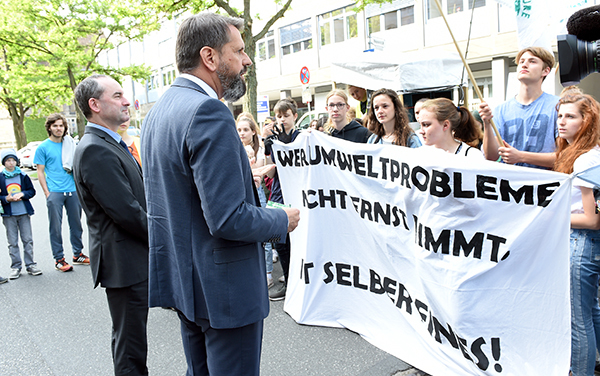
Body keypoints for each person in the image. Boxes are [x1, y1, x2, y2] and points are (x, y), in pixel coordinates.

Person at [141, 13, 300, 376]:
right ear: (210, 57)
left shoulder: (158, 111)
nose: (247, 61)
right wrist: (282, 220)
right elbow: (228, 218)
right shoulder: (208, 112)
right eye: (239, 51)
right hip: (223, 291)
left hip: (186, 283)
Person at [73, 74, 149, 376]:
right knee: (130, 346)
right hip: (124, 263)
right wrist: (167, 237)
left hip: (130, 259)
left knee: (131, 340)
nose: (126, 101)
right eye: (117, 95)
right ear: (95, 104)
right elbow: (127, 212)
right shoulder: (95, 148)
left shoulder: (109, 142)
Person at [553, 93, 600, 376]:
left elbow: (592, 220)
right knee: (591, 311)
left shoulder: (585, 160)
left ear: (587, 121)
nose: (561, 121)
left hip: (581, 244)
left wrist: (552, 216)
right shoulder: (584, 155)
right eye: (560, 115)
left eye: (570, 116)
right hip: (583, 244)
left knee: (578, 320)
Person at [478, 47, 559, 168]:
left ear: (546, 71)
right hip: (508, 184)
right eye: (521, 61)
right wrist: (487, 123)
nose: (524, 65)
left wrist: (520, 156)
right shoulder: (500, 110)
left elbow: (566, 157)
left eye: (532, 61)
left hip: (543, 184)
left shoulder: (558, 106)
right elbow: (491, 157)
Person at [34, 113, 88, 272]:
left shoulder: (70, 144)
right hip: (55, 192)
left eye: (61, 126)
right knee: (56, 227)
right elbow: (40, 171)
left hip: (72, 190)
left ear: (65, 128)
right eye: (55, 126)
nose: (59, 128)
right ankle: (59, 259)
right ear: (49, 127)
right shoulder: (43, 147)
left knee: (76, 225)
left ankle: (78, 254)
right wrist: (46, 192)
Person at [237, 115, 275, 288]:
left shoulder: (259, 148)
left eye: (246, 129)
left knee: (264, 233)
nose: (242, 133)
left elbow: (258, 171)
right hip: (241, 193)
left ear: (253, 131)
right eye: (239, 130)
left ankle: (267, 273)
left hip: (257, 192)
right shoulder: (233, 148)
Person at [0, 148, 42, 279]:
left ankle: (30, 265)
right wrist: (6, 199)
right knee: (12, 241)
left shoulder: (23, 176)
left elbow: (31, 191)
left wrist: (23, 194)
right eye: (8, 160)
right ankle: (16, 267)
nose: (11, 163)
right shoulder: (1, 177)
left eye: (13, 160)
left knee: (27, 240)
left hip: (23, 212)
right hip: (9, 214)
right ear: (4, 163)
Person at [418, 98, 484, 158]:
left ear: (445, 125)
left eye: (426, 125)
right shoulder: (421, 154)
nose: (421, 131)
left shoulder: (472, 156)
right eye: (420, 125)